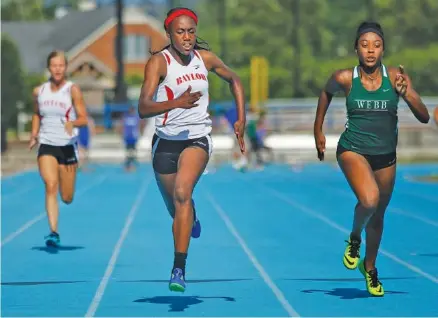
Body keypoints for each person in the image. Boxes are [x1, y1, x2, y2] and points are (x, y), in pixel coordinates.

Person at [313, 22, 430, 297]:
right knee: (369, 199)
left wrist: (406, 93)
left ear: (383, 49)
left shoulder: (396, 77)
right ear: (356, 48)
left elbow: (424, 116)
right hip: (353, 148)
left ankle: (370, 266)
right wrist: (317, 129)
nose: (370, 50)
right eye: (364, 45)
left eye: (376, 45)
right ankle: (354, 238)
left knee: (378, 216)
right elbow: (325, 92)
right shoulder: (344, 78)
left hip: (386, 156)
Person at [137, 7, 246, 292]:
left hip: (197, 139)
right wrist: (175, 103)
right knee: (177, 209)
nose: (186, 37)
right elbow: (143, 108)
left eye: (191, 32)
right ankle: (191, 217)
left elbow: (234, 79)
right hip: (165, 143)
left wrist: (241, 119)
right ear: (169, 34)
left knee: (183, 193)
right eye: (180, 32)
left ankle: (178, 269)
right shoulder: (158, 63)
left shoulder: (204, 59)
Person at [29, 50, 89, 247]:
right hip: (47, 143)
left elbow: (83, 118)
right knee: (50, 185)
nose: (57, 69)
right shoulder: (39, 91)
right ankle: (53, 232)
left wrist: (74, 124)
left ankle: (56, 224)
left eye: (61, 65)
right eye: (54, 65)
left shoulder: (72, 90)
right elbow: (37, 114)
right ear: (49, 67)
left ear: (65, 67)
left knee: (67, 197)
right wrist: (34, 134)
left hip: (67, 147)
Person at [118, 106, 143, 171]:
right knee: (128, 151)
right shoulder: (125, 117)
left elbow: (140, 125)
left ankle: (132, 164)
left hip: (134, 137)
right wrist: (121, 133)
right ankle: (128, 165)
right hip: (127, 137)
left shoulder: (136, 117)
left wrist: (140, 133)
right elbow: (121, 125)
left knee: (133, 151)